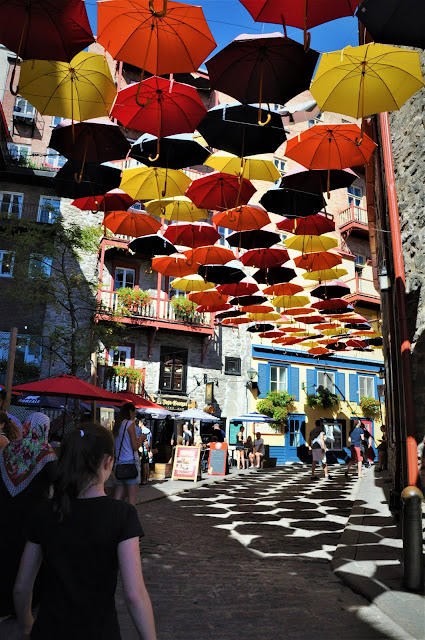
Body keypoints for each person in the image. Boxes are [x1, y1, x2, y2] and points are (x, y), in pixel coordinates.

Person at [14, 423, 156, 640]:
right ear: (108, 462)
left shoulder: (46, 511)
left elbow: (22, 586)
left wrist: (26, 625)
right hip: (99, 632)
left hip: (50, 630)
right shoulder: (122, 515)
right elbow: (135, 595)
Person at [0, 412, 57, 617]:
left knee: (7, 553)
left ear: (27, 426)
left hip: (6, 510)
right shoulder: (46, 451)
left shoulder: (10, 447)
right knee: (30, 558)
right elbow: (56, 479)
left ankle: (5, 601)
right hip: (34, 513)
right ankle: (28, 603)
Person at [113, 403, 144, 506]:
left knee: (118, 497)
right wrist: (141, 438)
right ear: (130, 412)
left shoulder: (117, 425)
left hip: (119, 463)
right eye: (134, 413)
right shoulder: (130, 424)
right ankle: (130, 516)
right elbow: (135, 446)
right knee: (131, 499)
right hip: (130, 463)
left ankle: (115, 515)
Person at [136, 418, 152, 486]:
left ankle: (144, 480)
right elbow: (150, 442)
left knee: (144, 465)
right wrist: (150, 450)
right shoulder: (149, 431)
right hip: (147, 449)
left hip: (144, 449)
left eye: (139, 422)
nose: (138, 424)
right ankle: (147, 478)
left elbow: (145, 442)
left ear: (142, 423)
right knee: (146, 465)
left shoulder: (144, 431)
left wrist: (147, 450)